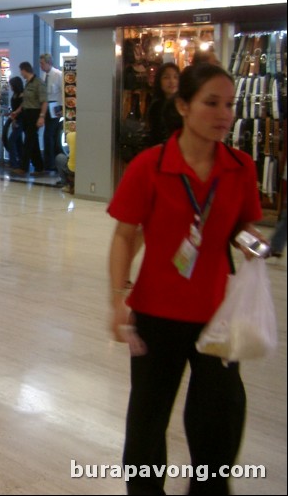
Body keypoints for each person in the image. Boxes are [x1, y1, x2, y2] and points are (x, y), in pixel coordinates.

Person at [107, 63, 264, 495]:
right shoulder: (150, 166)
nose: (224, 114)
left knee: (221, 413)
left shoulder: (240, 166)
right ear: (182, 106)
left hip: (217, 312)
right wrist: (117, 298)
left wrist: (253, 245)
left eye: (229, 105)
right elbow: (124, 236)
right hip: (156, 311)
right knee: (148, 419)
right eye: (211, 103)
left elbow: (241, 227)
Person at [15, 61, 47, 176]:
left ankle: (24, 167)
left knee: (28, 141)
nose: (21, 73)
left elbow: (44, 102)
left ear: (24, 70)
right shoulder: (27, 83)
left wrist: (41, 117)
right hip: (26, 114)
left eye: (21, 71)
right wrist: (17, 111)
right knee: (33, 141)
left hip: (35, 114)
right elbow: (25, 102)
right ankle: (39, 167)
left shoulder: (39, 83)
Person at [144, 62, 181, 147]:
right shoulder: (156, 106)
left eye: (176, 77)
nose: (172, 81)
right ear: (159, 81)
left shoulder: (183, 105)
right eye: (166, 77)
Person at [40, 53, 64, 171]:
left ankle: (51, 162)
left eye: (42, 63)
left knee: (49, 135)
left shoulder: (58, 75)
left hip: (55, 107)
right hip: (47, 106)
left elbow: (63, 91)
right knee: (49, 135)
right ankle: (50, 161)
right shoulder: (44, 75)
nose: (41, 66)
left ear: (49, 63)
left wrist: (62, 108)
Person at [5, 75, 25, 172]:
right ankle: (21, 162)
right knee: (18, 142)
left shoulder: (22, 95)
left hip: (20, 120)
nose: (11, 87)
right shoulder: (15, 94)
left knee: (12, 140)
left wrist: (14, 116)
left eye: (12, 85)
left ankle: (14, 164)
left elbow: (20, 109)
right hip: (16, 119)